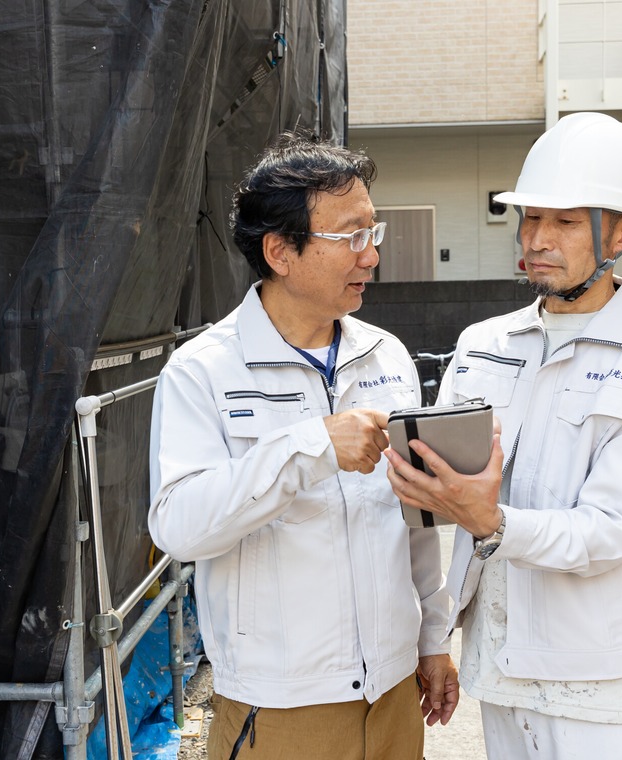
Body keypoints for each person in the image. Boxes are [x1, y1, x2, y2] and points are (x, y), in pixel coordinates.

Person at [384, 112, 622, 760]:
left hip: (602, 682)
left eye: (563, 220)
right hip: (499, 665)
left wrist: (491, 520)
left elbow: (611, 530)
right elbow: (443, 508)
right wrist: (436, 636)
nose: (537, 237)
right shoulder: (483, 347)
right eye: (531, 218)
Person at [148, 132, 457, 760]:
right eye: (350, 237)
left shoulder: (387, 355)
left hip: (395, 694)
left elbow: (412, 521)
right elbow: (179, 527)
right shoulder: (204, 369)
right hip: (282, 705)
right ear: (280, 251)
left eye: (375, 232)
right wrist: (309, 448)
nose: (370, 256)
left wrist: (431, 636)